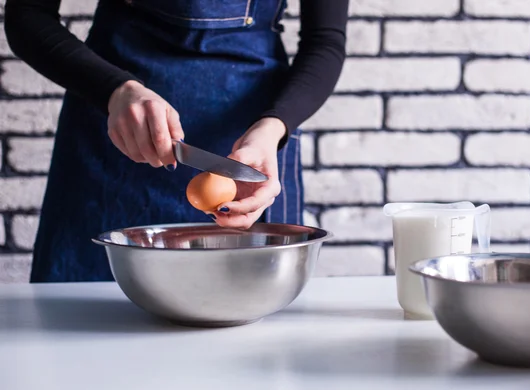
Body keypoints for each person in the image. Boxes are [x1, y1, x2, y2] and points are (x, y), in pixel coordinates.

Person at [4, 0, 349, 283]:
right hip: (115, 130)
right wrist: (114, 90)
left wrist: (273, 129)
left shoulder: (264, 139)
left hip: (252, 143)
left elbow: (325, 42)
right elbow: (28, 16)